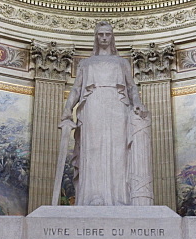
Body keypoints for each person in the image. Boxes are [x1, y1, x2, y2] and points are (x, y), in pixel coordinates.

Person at [58, 22, 151, 206]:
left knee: (119, 152)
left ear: (112, 37)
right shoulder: (86, 63)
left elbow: (132, 87)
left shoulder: (122, 63)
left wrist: (138, 103)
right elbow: (76, 89)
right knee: (92, 151)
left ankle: (119, 197)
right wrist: (67, 108)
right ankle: (92, 196)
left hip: (117, 106)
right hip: (92, 106)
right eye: (100, 34)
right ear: (96, 37)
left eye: (107, 34)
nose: (104, 38)